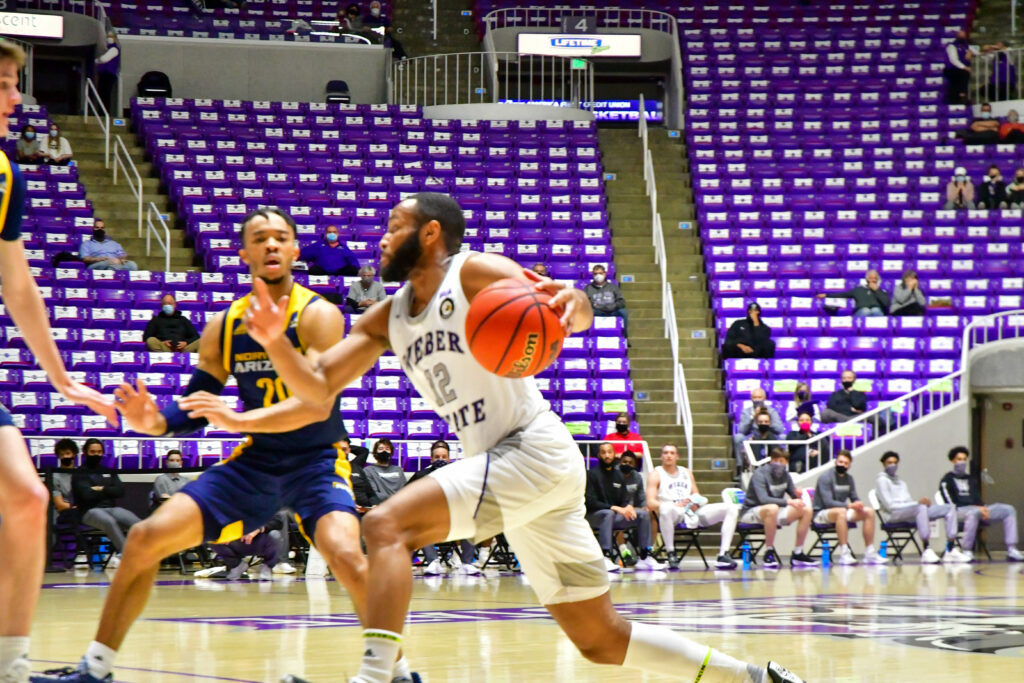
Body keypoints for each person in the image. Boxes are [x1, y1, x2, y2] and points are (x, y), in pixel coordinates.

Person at [246, 193, 806, 683]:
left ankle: (376, 676)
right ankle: (751, 677)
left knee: (386, 524)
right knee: (600, 640)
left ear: (430, 233)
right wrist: (274, 347)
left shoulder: (471, 271)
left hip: (529, 449)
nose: (383, 237)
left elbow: (564, 304)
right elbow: (316, 389)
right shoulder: (387, 317)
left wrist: (579, 305)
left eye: (394, 225)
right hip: (516, 473)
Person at [36, 208, 420, 683]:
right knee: (143, 539)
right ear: (244, 254)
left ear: (297, 251)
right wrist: (152, 421)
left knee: (345, 554)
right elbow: (197, 404)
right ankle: (96, 670)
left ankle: (398, 671)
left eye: (281, 237)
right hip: (255, 463)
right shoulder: (225, 323)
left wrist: (239, 413)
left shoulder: (318, 314)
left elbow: (316, 405)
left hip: (316, 460)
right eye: (260, 238)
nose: (272, 245)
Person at [0, 41, 115, 683]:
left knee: (24, 495)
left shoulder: (6, 171)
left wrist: (61, 376)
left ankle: (10, 666)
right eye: (4, 84)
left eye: (17, 84)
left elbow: (17, 283)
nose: (17, 98)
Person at [646, 443, 739, 570]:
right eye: (666, 453)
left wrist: (695, 502)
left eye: (672, 453)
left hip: (691, 511)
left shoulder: (686, 472)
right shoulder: (656, 474)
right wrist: (674, 504)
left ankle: (723, 554)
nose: (669, 456)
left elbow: (696, 494)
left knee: (731, 508)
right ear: (661, 456)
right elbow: (651, 503)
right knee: (666, 509)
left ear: (677, 456)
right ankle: (671, 552)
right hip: (673, 513)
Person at [586, 442, 664, 572]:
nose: (607, 455)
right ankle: (606, 556)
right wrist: (614, 508)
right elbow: (590, 502)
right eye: (603, 452)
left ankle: (645, 557)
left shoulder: (618, 476)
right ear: (599, 455)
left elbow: (625, 499)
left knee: (643, 514)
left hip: (613, 517)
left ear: (614, 454)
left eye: (609, 452)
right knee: (608, 513)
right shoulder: (591, 474)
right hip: (595, 516)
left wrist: (628, 506)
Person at [875, 451, 963, 564]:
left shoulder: (901, 483)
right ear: (883, 464)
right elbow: (890, 506)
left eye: (895, 462)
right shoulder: (881, 481)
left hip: (909, 512)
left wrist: (918, 503)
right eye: (889, 462)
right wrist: (917, 503)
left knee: (949, 508)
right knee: (920, 508)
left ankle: (950, 548)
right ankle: (926, 549)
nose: (893, 465)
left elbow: (909, 502)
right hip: (893, 515)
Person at [939, 446, 1023, 562]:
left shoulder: (971, 479)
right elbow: (951, 505)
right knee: (973, 512)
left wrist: (983, 509)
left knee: (1008, 509)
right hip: (958, 512)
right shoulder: (947, 480)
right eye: (959, 459)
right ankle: (967, 550)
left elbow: (977, 498)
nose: (962, 462)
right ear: (953, 461)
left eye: (964, 459)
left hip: (978, 510)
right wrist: (976, 508)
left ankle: (1012, 549)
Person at [411, 440, 480, 577]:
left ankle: (467, 563)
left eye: (443, 457)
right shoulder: (421, 475)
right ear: (431, 459)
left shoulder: (459, 475)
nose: (440, 460)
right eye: (437, 457)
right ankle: (433, 562)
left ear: (449, 459)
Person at [739, 448, 815, 569]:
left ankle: (798, 552)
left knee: (806, 510)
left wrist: (798, 495)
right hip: (752, 511)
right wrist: (789, 502)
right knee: (772, 508)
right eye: (777, 461)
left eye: (783, 461)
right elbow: (763, 499)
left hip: (774, 512)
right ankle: (769, 551)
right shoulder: (760, 474)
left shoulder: (785, 475)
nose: (780, 464)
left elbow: (793, 495)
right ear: (771, 461)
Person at [72, 439, 141, 569]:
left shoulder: (108, 471)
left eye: (99, 452)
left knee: (134, 520)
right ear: (85, 452)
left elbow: (120, 491)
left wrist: (100, 489)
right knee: (109, 521)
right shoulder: (79, 473)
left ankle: (150, 552)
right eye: (92, 452)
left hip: (110, 507)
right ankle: (129, 556)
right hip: (89, 511)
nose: (96, 455)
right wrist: (108, 490)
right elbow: (86, 495)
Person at [812, 450, 887, 565]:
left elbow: (854, 497)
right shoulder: (825, 477)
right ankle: (844, 553)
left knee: (869, 511)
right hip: (821, 513)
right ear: (835, 462)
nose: (842, 465)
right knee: (841, 512)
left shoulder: (849, 479)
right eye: (840, 462)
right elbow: (828, 502)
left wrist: (858, 503)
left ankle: (869, 552)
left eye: (846, 463)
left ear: (849, 465)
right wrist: (849, 506)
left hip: (841, 510)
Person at [209, 515, 286, 581]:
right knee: (212, 538)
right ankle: (237, 565)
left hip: (261, 540)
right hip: (237, 540)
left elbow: (278, 522)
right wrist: (226, 532)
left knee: (275, 535)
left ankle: (267, 566)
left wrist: (258, 528)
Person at [732, 387, 785, 471]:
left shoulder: (771, 411)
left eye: (759, 397)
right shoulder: (746, 412)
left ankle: (780, 465)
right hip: (753, 434)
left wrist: (766, 421)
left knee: (783, 437)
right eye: (755, 397)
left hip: (768, 434)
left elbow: (779, 429)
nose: (757, 400)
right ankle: (740, 467)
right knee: (738, 437)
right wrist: (752, 417)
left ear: (764, 398)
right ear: (751, 399)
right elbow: (742, 430)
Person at [818, 269, 890, 316]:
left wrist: (877, 290)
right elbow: (843, 294)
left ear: (877, 280)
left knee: (876, 310)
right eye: (871, 278)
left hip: (876, 310)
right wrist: (826, 295)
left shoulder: (882, 291)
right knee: (866, 311)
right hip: (861, 311)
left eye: (875, 278)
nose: (873, 280)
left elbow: (886, 303)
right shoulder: (858, 289)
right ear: (867, 279)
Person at [584, 264, 628, 337]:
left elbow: (621, 302)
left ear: (605, 274)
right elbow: (585, 303)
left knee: (623, 312)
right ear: (593, 275)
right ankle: (589, 336)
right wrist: (597, 307)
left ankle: (624, 336)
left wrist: (612, 306)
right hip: (597, 311)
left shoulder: (613, 287)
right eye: (596, 274)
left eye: (600, 273)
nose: (598, 276)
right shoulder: (588, 288)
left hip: (612, 310)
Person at [362, 438, 405, 507]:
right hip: (382, 506)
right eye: (381, 449)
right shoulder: (368, 470)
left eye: (387, 449)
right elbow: (373, 493)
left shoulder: (398, 470)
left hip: (400, 506)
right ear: (375, 453)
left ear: (391, 453)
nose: (384, 451)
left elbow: (404, 490)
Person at [95, 32, 120, 115]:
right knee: (101, 94)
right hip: (103, 74)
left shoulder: (114, 49)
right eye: (108, 36)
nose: (109, 38)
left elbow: (104, 59)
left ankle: (105, 113)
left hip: (109, 75)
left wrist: (97, 60)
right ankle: (101, 112)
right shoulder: (106, 49)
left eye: (111, 37)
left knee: (106, 94)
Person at [944, 30, 972, 105]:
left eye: (963, 35)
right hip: (951, 69)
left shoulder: (967, 46)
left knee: (963, 76)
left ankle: (960, 98)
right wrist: (964, 67)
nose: (962, 37)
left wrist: (970, 52)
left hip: (960, 70)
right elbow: (953, 60)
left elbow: (976, 51)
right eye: (960, 35)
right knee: (963, 74)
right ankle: (961, 96)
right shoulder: (951, 46)